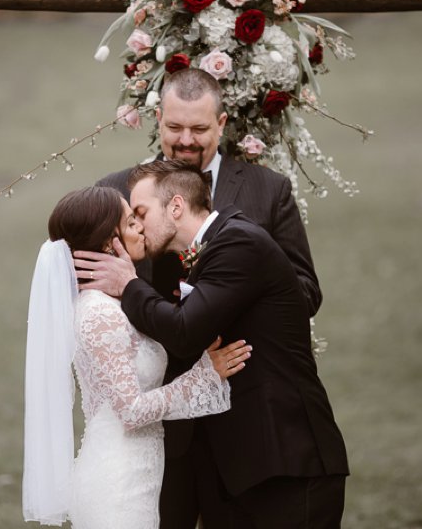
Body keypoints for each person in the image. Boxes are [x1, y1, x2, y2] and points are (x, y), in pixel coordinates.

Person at [96, 68, 325, 528]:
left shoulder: (267, 190)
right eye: (174, 127)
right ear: (157, 119)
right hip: (160, 419)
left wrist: (223, 294)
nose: (185, 141)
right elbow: (97, 285)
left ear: (222, 124)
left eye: (199, 129)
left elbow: (303, 293)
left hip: (249, 418)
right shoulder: (117, 192)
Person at [76, 161, 349, 529]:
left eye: (141, 213)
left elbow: (186, 333)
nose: (137, 226)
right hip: (249, 467)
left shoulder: (237, 241)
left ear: (175, 207)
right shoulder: (214, 250)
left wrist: (129, 284)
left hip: (287, 459)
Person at [22, 186, 251, 529]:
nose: (141, 228)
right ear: (107, 244)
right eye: (131, 223)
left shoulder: (112, 304)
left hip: (136, 475)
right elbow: (131, 412)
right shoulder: (100, 314)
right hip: (118, 486)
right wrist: (205, 374)